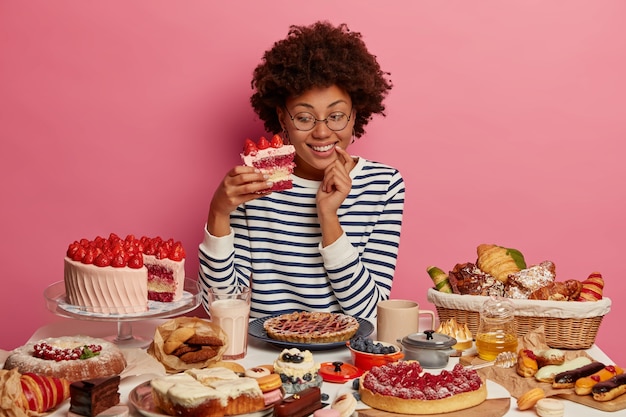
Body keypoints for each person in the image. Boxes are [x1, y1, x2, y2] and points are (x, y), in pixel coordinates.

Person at [199, 21, 405, 319]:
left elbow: (369, 313)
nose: (322, 133)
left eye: (336, 116)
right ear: (282, 117)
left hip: (342, 361)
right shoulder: (254, 186)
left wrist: (328, 216)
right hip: (262, 360)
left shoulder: (384, 185)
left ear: (355, 114)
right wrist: (218, 213)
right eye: (305, 118)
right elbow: (220, 308)